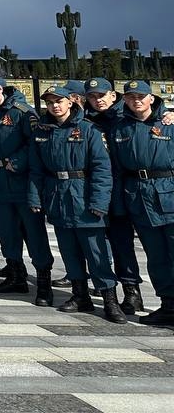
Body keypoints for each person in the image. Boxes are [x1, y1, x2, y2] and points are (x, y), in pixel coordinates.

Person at [27, 85, 124, 322]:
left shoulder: (88, 130)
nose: (54, 106)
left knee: (96, 252)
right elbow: (36, 169)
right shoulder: (42, 130)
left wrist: (100, 202)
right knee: (69, 250)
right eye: (49, 103)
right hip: (57, 195)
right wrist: (35, 197)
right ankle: (80, 295)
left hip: (84, 195)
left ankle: (110, 299)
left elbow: (102, 168)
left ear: (70, 102)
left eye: (58, 101)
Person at [0, 73, 55, 306]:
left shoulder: (22, 112)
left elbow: (35, 142)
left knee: (34, 233)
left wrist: (17, 162)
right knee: (6, 231)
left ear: (1, 89)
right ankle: (15, 274)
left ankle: (43, 282)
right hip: (0, 181)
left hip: (22, 182)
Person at [111, 80, 174, 325]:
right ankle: (168, 304)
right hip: (138, 197)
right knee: (156, 256)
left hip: (168, 192)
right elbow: (116, 169)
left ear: (152, 98)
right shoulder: (120, 128)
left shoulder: (168, 124)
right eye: (130, 97)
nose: (136, 101)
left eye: (141, 96)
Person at [84, 77, 148, 315]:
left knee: (128, 244)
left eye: (101, 95)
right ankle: (112, 289)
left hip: (129, 187)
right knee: (109, 243)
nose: (97, 100)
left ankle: (132, 291)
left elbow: (152, 113)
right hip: (102, 190)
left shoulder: (126, 116)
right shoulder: (88, 121)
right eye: (92, 96)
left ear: (113, 96)